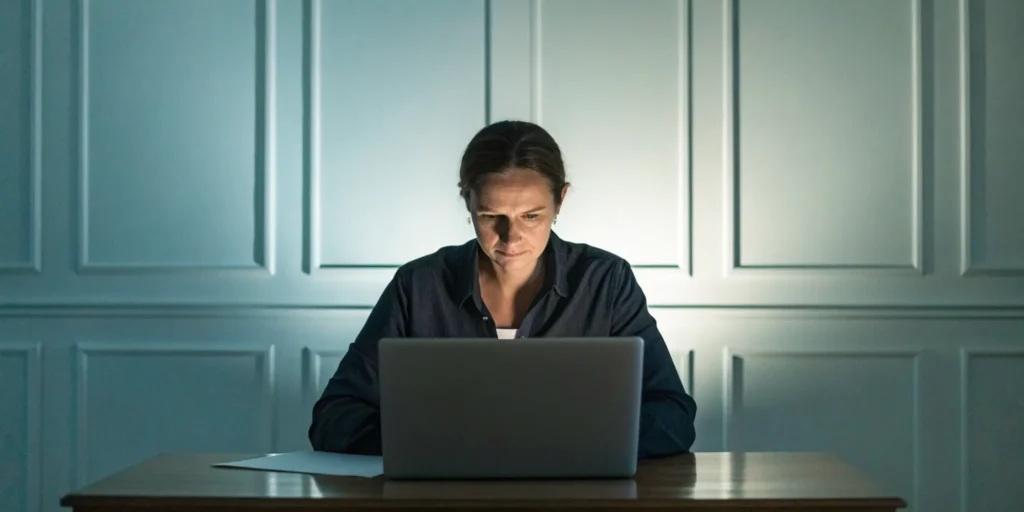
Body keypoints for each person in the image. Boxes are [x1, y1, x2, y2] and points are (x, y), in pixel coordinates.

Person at [309, 120, 697, 458]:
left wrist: (562, 443)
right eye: (491, 216)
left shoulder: (605, 281)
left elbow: (673, 417)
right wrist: (438, 444)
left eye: (531, 216)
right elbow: (334, 415)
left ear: (560, 201)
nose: (511, 238)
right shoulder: (419, 285)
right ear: (467, 200)